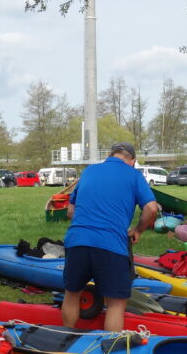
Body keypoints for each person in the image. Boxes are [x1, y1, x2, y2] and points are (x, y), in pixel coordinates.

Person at [61, 142, 159, 331]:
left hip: (77, 241)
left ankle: (66, 337)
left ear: (110, 155)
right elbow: (151, 208)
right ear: (133, 161)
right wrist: (138, 230)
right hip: (111, 245)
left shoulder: (89, 171)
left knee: (72, 295)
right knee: (115, 304)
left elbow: (70, 212)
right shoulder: (134, 175)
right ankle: (110, 346)